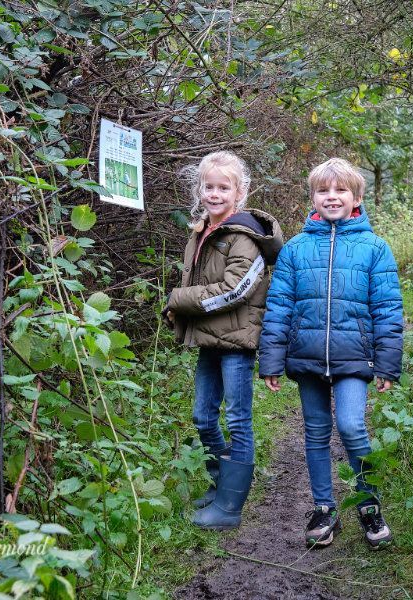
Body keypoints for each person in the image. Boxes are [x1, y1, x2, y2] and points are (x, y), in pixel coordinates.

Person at [258, 157, 403, 550]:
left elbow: (388, 310)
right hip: (306, 357)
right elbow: (279, 306)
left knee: (353, 426)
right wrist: (270, 358)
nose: (332, 197)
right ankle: (325, 507)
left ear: (356, 197)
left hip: (354, 357)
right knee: (317, 432)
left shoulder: (374, 248)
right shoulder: (295, 249)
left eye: (340, 190)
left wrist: (388, 362)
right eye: (324, 191)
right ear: (313, 198)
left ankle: (368, 503)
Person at [164, 151, 283, 530]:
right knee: (202, 417)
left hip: (237, 342)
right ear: (200, 189)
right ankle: (220, 485)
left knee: (237, 418)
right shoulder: (202, 231)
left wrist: (178, 301)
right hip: (209, 340)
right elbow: (196, 282)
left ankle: (230, 508)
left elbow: (234, 291)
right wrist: (180, 309)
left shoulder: (243, 236)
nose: (214, 194)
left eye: (223, 187)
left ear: (240, 191)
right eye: (208, 186)